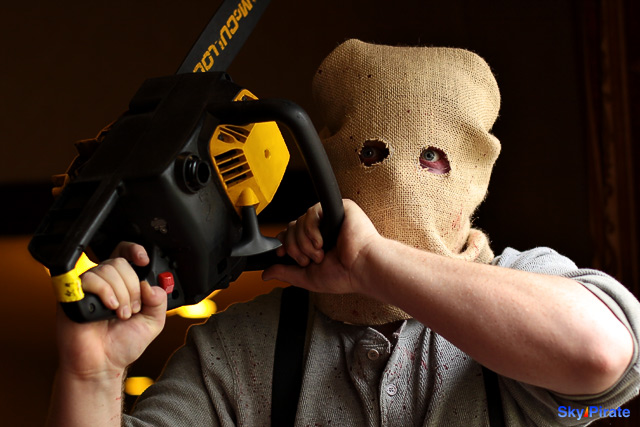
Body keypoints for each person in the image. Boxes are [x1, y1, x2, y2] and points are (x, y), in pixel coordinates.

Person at [47, 39, 640, 426]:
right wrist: (91, 376)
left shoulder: (529, 288)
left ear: (476, 175)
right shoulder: (241, 350)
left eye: (433, 159)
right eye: (371, 153)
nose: (401, 180)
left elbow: (601, 352)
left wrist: (373, 262)